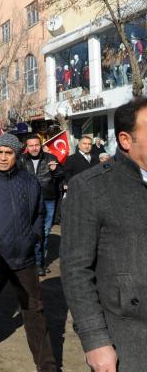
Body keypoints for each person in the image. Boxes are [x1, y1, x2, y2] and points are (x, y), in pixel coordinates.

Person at [61, 97, 147, 372]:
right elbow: (76, 269)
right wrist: (95, 340)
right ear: (125, 139)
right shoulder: (89, 187)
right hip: (127, 337)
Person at [0, 134, 56, 372]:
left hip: (24, 257)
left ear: (17, 155)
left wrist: (34, 238)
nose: (3, 157)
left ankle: (46, 363)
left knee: (34, 309)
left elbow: (39, 214)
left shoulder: (29, 181)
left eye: (9, 153)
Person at [21, 135, 64, 276]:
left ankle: (40, 263)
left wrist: (55, 170)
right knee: (29, 232)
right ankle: (31, 262)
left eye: (36, 145)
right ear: (26, 147)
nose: (34, 148)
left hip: (47, 200)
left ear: (41, 145)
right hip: (28, 201)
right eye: (31, 145)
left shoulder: (50, 158)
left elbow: (61, 174)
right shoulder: (21, 160)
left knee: (44, 233)